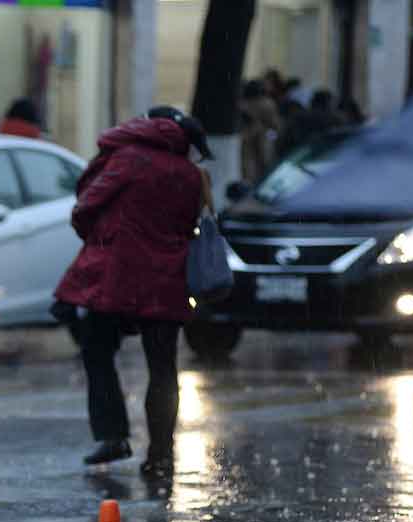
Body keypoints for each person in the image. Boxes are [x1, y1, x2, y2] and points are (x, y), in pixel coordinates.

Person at [53, 106, 210, 477]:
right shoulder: (190, 174)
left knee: (97, 350)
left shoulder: (127, 158)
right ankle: (160, 455)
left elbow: (85, 206)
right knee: (162, 367)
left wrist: (104, 239)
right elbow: (190, 225)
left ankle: (112, 436)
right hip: (168, 281)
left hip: (116, 277)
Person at [239, 79, 281, 183]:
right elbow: (275, 125)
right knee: (265, 163)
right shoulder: (268, 103)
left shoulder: (242, 104)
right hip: (264, 138)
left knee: (247, 165)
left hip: (246, 137)